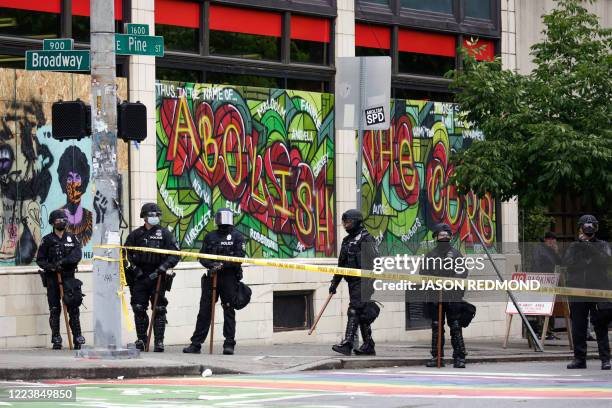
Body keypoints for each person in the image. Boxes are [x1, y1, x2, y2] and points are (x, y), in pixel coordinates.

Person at [183, 208, 246, 355]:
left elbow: (239, 258)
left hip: (229, 278)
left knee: (228, 309)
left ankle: (229, 344)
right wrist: (211, 265)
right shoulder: (210, 236)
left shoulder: (237, 237)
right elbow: (202, 256)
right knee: (205, 310)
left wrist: (223, 265)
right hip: (212, 276)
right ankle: (196, 344)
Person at [124, 203, 180, 352]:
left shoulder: (165, 234)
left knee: (159, 308)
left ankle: (159, 341)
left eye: (157, 215)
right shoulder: (135, 235)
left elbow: (175, 254)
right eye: (151, 215)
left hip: (158, 276)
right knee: (138, 307)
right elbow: (125, 255)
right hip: (140, 277)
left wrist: (164, 267)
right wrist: (135, 270)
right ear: (144, 216)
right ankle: (142, 340)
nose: (155, 217)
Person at [329, 209, 379, 356]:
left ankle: (348, 343)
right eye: (344, 222)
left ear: (357, 221)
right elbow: (341, 264)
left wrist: (370, 283)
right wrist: (334, 283)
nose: (346, 225)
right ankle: (369, 345)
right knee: (362, 313)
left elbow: (376, 262)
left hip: (364, 282)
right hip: (352, 282)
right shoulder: (346, 241)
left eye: (348, 222)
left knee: (354, 310)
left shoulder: (366, 238)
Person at [563, 215, 611, 370]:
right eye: (585, 226)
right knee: (578, 326)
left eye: (591, 227)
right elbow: (568, 263)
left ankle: (605, 359)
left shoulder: (603, 245)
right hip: (578, 290)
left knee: (600, 325)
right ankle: (579, 359)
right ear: (580, 228)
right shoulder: (574, 247)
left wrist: (589, 246)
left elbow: (606, 261)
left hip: (597, 290)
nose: (588, 229)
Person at [36, 209, 85, 350]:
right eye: (58, 220)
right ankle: (56, 337)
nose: (62, 222)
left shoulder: (72, 238)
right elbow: (40, 260)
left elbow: (77, 255)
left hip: (69, 279)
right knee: (55, 309)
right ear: (53, 222)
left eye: (64, 220)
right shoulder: (47, 240)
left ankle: (77, 336)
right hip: (53, 279)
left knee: (73, 308)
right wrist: (51, 267)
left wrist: (63, 262)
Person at [421, 223, 468, 368]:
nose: (444, 237)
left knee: (455, 325)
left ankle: (459, 357)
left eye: (447, 235)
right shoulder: (430, 256)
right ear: (436, 237)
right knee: (436, 326)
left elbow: (462, 272)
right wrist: (434, 284)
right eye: (441, 235)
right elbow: (423, 273)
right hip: (436, 296)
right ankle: (437, 356)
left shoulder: (456, 254)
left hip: (453, 296)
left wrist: (450, 283)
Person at [530, 231, 562, 340]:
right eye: (550, 239)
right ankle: (541, 331)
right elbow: (536, 263)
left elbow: (559, 263)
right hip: (541, 280)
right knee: (542, 306)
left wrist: (556, 252)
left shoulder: (551, 250)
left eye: (554, 240)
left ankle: (549, 331)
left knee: (550, 306)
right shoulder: (539, 248)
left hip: (551, 281)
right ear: (546, 239)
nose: (552, 242)